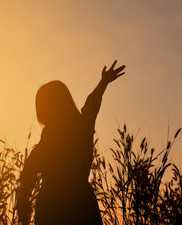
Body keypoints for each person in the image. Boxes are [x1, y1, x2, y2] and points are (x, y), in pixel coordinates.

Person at [16, 61, 125, 224]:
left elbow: (29, 172)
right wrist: (103, 83)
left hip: (53, 207)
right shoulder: (80, 126)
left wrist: (24, 197)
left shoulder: (51, 137)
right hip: (81, 204)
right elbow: (91, 105)